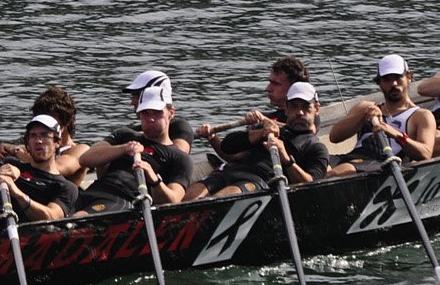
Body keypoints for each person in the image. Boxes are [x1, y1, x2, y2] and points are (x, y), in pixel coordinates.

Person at [188, 56, 311, 196]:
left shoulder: (305, 120)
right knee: (191, 197)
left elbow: (306, 132)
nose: (268, 88)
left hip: (262, 177)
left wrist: (266, 121)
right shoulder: (267, 116)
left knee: (219, 198)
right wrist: (213, 137)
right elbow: (234, 156)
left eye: (275, 84)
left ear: (293, 89)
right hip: (233, 170)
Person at [74, 83, 193, 213]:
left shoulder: (179, 158)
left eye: (157, 113)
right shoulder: (124, 135)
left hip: (124, 200)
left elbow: (173, 200)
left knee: (79, 215)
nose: (151, 119)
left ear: (171, 113)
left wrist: (154, 180)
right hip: (94, 190)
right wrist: (124, 148)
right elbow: (85, 159)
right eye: (145, 113)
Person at [328, 55, 437, 175]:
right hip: (356, 157)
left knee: (338, 172)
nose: (393, 84)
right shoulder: (365, 107)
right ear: (379, 83)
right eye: (387, 79)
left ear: (409, 77)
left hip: (383, 161)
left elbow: (426, 154)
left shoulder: (421, 115)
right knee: (317, 165)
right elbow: (334, 137)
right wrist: (362, 115)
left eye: (398, 77)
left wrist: (394, 133)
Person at [0, 86, 90, 185]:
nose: (43, 124)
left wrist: (15, 151)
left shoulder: (80, 151)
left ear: (66, 121)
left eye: (49, 119)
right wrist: (2, 153)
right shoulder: (34, 149)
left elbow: (55, 169)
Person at [123, 70, 193, 152]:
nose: (132, 102)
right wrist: (124, 148)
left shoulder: (179, 126)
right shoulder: (129, 132)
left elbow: (180, 154)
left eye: (137, 95)